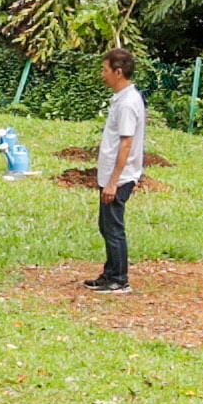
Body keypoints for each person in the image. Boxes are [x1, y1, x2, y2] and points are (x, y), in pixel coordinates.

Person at [87, 43, 148, 289]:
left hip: (119, 177)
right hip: (114, 175)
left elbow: (126, 144)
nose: (102, 74)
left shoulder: (127, 103)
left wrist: (114, 181)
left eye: (105, 69)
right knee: (106, 225)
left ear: (118, 72)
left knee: (113, 228)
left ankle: (119, 280)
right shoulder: (123, 98)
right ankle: (110, 273)